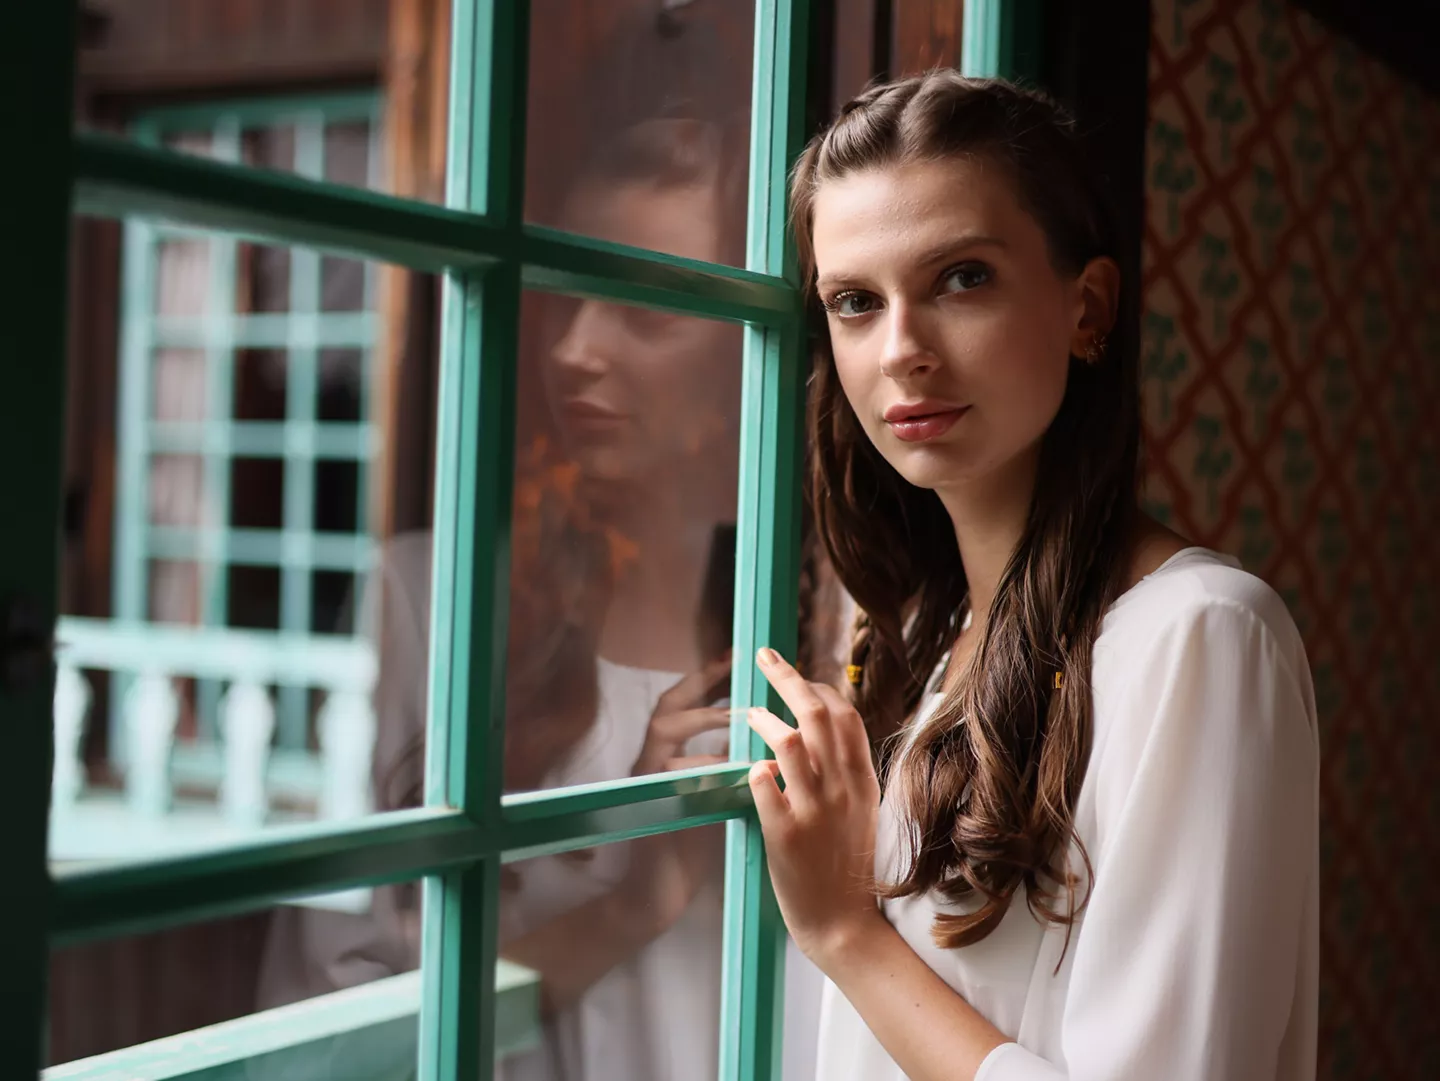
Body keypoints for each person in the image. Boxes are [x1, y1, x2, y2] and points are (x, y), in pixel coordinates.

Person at [742, 72, 1319, 1081]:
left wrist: (845, 933)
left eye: (962, 277)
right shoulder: (929, 638)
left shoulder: (1201, 637)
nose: (902, 351)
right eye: (854, 302)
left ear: (1087, 306)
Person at [255, 116, 823, 1081]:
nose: (571, 349)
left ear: (753, 356)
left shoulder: (849, 624)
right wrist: (628, 905)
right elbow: (332, 1014)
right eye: (568, 297)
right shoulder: (430, 598)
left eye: (642, 309)